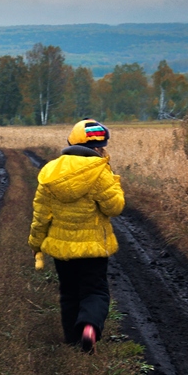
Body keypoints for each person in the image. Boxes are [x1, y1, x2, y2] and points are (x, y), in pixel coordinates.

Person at [28, 119, 125, 352]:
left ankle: (73, 341)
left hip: (62, 250)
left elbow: (41, 214)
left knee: (69, 292)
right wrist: (114, 181)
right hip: (93, 249)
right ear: (99, 147)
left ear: (70, 142)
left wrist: (36, 242)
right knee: (95, 290)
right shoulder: (100, 172)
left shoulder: (50, 172)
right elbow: (115, 207)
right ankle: (90, 326)